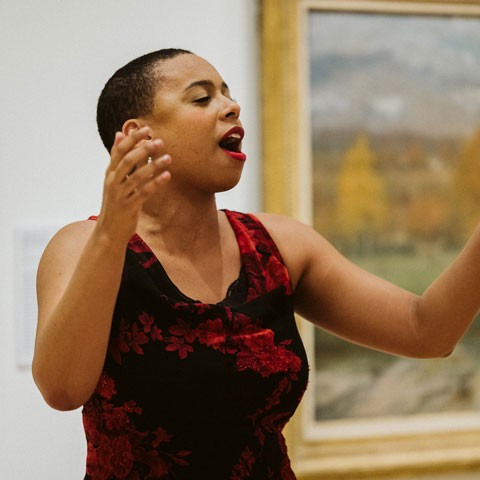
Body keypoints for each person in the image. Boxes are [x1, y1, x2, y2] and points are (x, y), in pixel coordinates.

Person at [32, 48, 480, 480]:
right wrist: (112, 232)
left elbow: (426, 331)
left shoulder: (280, 246)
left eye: (227, 93)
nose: (231, 106)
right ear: (137, 135)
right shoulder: (82, 245)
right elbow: (63, 389)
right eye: (202, 97)